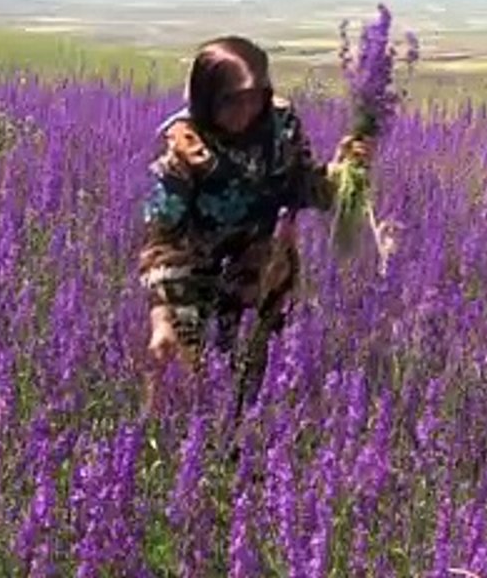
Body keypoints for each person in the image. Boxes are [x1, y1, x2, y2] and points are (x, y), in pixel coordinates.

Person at [138, 36, 369, 419]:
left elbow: (303, 187)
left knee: (255, 374)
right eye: (232, 100)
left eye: (254, 97)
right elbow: (162, 239)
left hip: (258, 267)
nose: (245, 110)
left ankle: (246, 452)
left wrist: (347, 171)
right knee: (181, 380)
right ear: (208, 98)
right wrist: (162, 317)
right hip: (192, 273)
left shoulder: (280, 127)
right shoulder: (185, 149)